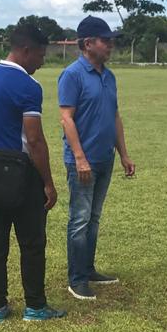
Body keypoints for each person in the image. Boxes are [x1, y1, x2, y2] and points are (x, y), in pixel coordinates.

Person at [0, 24, 66, 321]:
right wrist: (48, 183)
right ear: (26, 50)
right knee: (32, 241)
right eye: (41, 55)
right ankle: (35, 306)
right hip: (21, 173)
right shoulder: (28, 86)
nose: (42, 61)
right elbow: (34, 140)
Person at [58, 15, 136, 301]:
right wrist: (80, 158)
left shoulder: (109, 76)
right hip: (83, 161)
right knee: (79, 219)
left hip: (104, 158)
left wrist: (123, 154)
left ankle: (88, 269)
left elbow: (114, 116)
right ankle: (76, 279)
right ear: (88, 43)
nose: (111, 45)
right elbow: (66, 119)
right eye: (106, 40)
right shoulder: (72, 75)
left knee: (93, 217)